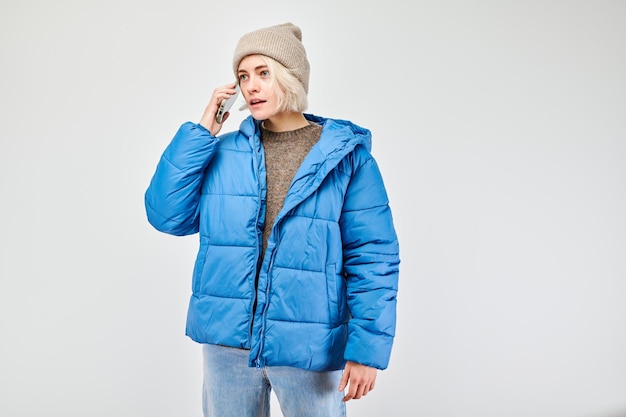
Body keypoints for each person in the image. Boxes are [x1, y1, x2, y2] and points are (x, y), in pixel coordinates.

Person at [145, 22, 400, 417]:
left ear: (291, 76)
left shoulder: (347, 159)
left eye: (263, 73)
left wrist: (367, 351)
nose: (251, 86)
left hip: (310, 344)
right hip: (228, 342)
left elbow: (374, 257)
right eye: (243, 76)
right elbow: (166, 215)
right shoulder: (222, 152)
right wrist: (202, 131)